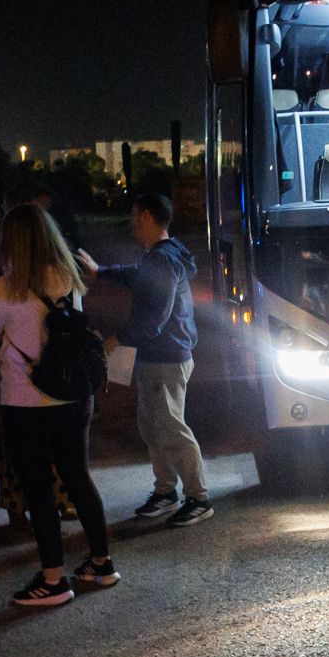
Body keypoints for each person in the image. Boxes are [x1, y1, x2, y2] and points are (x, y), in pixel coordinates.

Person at [0, 204, 116, 606]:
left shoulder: (5, 287)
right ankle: (101, 562)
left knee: (38, 488)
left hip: (25, 400)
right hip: (74, 396)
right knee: (77, 476)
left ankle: (54, 579)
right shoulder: (69, 278)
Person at [75, 194, 210, 527]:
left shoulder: (162, 260)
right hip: (159, 355)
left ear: (149, 217)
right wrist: (101, 271)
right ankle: (166, 491)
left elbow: (155, 319)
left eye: (134, 217)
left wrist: (117, 339)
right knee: (152, 426)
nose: (131, 224)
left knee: (170, 427)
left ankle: (198, 497)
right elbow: (136, 274)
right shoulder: (161, 257)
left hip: (166, 356)